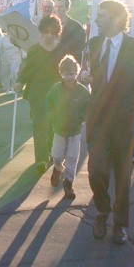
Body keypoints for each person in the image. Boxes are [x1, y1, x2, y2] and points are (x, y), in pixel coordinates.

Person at [81, 0, 134, 245]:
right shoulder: (93, 43)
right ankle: (102, 209)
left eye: (101, 16)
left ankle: (120, 225)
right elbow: (84, 71)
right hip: (98, 118)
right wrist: (84, 76)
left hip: (123, 121)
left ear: (116, 18)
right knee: (96, 171)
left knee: (122, 176)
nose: (97, 20)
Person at [14, 15, 68, 173]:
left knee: (53, 124)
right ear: (41, 32)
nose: (49, 35)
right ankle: (41, 159)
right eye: (46, 32)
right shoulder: (34, 49)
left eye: (53, 32)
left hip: (57, 93)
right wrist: (19, 81)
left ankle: (51, 152)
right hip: (37, 92)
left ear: (57, 32)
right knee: (40, 124)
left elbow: (66, 71)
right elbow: (27, 69)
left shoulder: (62, 50)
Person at [46, 55, 90, 199]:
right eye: (66, 74)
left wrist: (81, 118)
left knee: (72, 157)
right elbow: (49, 104)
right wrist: (52, 116)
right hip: (59, 128)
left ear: (76, 73)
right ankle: (58, 168)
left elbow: (88, 107)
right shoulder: (56, 89)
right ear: (61, 73)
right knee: (57, 155)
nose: (69, 77)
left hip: (75, 130)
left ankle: (68, 182)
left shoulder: (82, 91)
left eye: (71, 74)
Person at [54, 0, 87, 64]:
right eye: (56, 6)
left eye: (61, 6)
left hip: (69, 68)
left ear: (67, 8)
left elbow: (79, 50)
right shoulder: (49, 25)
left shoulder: (76, 28)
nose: (58, 9)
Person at [0, 29, 24, 95]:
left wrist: (24, 55)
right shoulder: (3, 39)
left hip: (15, 59)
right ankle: (6, 88)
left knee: (14, 72)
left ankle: (13, 87)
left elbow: (21, 47)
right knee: (5, 75)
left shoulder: (17, 38)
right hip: (5, 60)